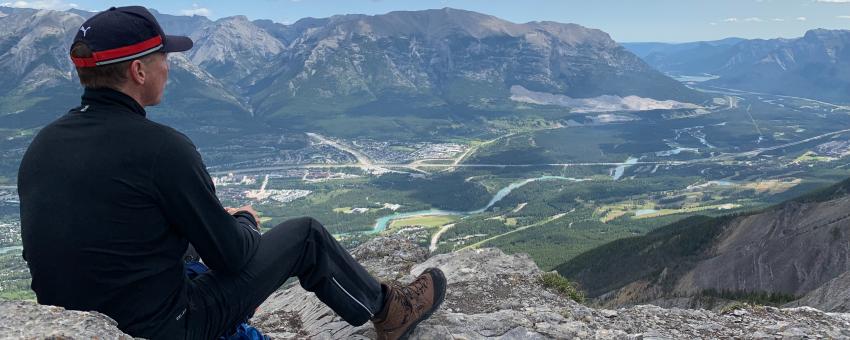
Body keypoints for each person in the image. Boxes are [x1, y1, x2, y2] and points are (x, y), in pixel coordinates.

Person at [17, 6, 446, 340]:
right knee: (306, 235)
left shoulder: (43, 144)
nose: (170, 66)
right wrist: (243, 223)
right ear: (138, 71)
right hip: (167, 326)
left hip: (76, 315)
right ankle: (392, 311)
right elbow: (233, 257)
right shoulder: (162, 148)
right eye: (164, 56)